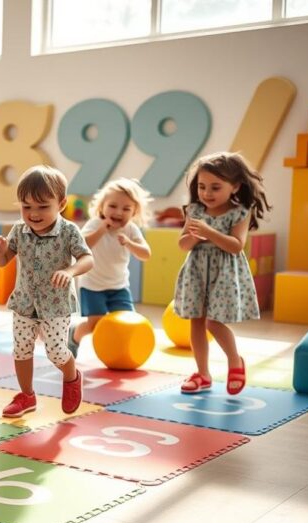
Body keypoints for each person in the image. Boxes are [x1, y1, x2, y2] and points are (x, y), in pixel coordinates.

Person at [0, 166, 93, 418]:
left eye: (42, 206)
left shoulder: (68, 231)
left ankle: (71, 375)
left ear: (61, 203)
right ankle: (27, 395)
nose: (33, 214)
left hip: (56, 305)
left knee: (56, 351)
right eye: (26, 207)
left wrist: (69, 271)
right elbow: (3, 262)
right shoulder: (18, 231)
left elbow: (87, 259)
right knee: (21, 349)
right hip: (24, 302)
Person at [173, 152, 270, 395]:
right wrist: (194, 235)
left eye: (215, 187)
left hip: (224, 271)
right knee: (196, 321)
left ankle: (235, 361)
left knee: (213, 322)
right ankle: (202, 374)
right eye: (202, 186)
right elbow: (183, 245)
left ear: (235, 186)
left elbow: (236, 245)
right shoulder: (195, 210)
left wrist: (208, 231)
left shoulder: (240, 212)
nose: (207, 193)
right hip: (197, 270)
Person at [68, 178, 152, 356]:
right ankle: (73, 336)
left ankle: (120, 353)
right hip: (93, 285)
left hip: (118, 286)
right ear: (102, 206)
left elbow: (146, 254)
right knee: (95, 324)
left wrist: (129, 243)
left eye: (126, 208)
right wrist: (101, 230)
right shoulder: (94, 224)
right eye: (113, 206)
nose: (119, 212)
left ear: (134, 212)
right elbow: (81, 246)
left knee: (126, 322)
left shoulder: (130, 230)